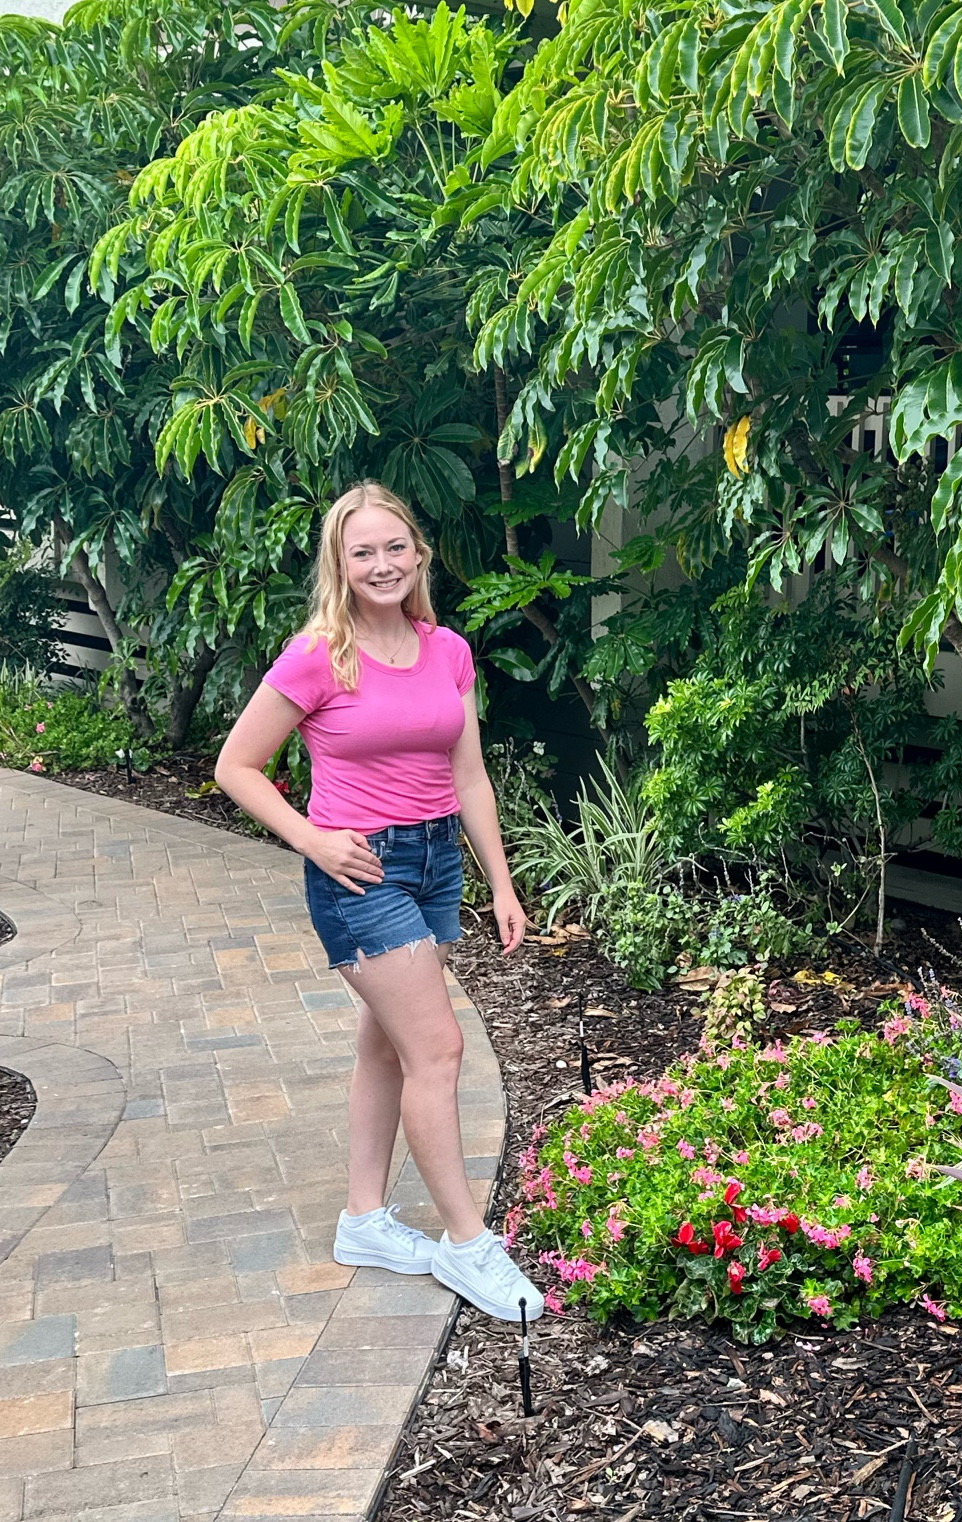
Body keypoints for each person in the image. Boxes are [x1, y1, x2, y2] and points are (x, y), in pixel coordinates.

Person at [215, 480, 542, 1322]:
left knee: (389, 1046)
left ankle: (363, 1220)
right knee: (438, 1051)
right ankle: (469, 1245)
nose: (382, 563)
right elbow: (235, 766)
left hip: (435, 863)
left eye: (395, 547)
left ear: (418, 553)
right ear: (339, 563)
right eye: (362, 551)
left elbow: (467, 775)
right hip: (360, 871)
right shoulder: (318, 654)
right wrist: (313, 839)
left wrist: (501, 883)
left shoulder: (448, 651)